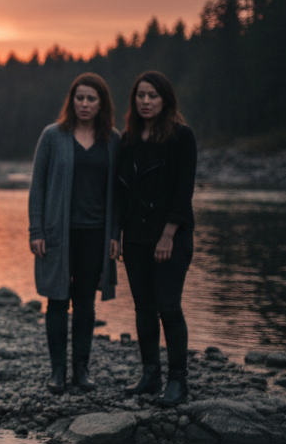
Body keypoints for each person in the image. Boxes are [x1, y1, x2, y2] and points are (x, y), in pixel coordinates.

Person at [28, 73, 120, 395]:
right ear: (72, 101)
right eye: (79, 98)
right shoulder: (53, 136)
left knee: (85, 303)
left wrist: (115, 233)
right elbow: (38, 186)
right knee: (57, 300)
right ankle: (58, 372)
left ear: (101, 104)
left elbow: (118, 193)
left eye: (91, 99)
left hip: (95, 234)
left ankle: (81, 369)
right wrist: (36, 230)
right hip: (58, 234)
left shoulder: (113, 140)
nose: (84, 104)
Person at [116, 71, 197, 406]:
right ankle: (150, 376)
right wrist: (117, 234)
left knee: (169, 306)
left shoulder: (181, 136)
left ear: (165, 100)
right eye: (141, 96)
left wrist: (168, 235)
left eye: (152, 96)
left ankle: (178, 381)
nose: (146, 101)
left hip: (170, 238)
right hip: (135, 237)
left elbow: (183, 191)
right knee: (144, 308)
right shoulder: (129, 139)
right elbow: (121, 192)